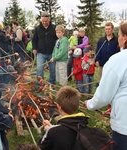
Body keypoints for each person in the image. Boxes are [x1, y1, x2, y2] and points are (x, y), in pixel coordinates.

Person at [83, 22, 127, 150]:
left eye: (119, 35)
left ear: (124, 38)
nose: (118, 38)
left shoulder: (118, 60)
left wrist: (90, 104)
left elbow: (104, 95)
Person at [38, 86, 88, 150]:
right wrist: (52, 127)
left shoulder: (52, 132)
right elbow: (67, 129)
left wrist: (47, 130)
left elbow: (40, 147)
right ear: (77, 106)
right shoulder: (83, 124)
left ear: (59, 107)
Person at [32, 11, 57, 85]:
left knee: (52, 70)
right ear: (40, 20)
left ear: (49, 19)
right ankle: (40, 84)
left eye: (46, 21)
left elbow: (58, 39)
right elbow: (34, 40)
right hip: (40, 53)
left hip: (52, 53)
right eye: (43, 21)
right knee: (39, 69)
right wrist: (34, 48)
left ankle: (51, 84)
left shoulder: (54, 28)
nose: (44, 23)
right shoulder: (37, 28)